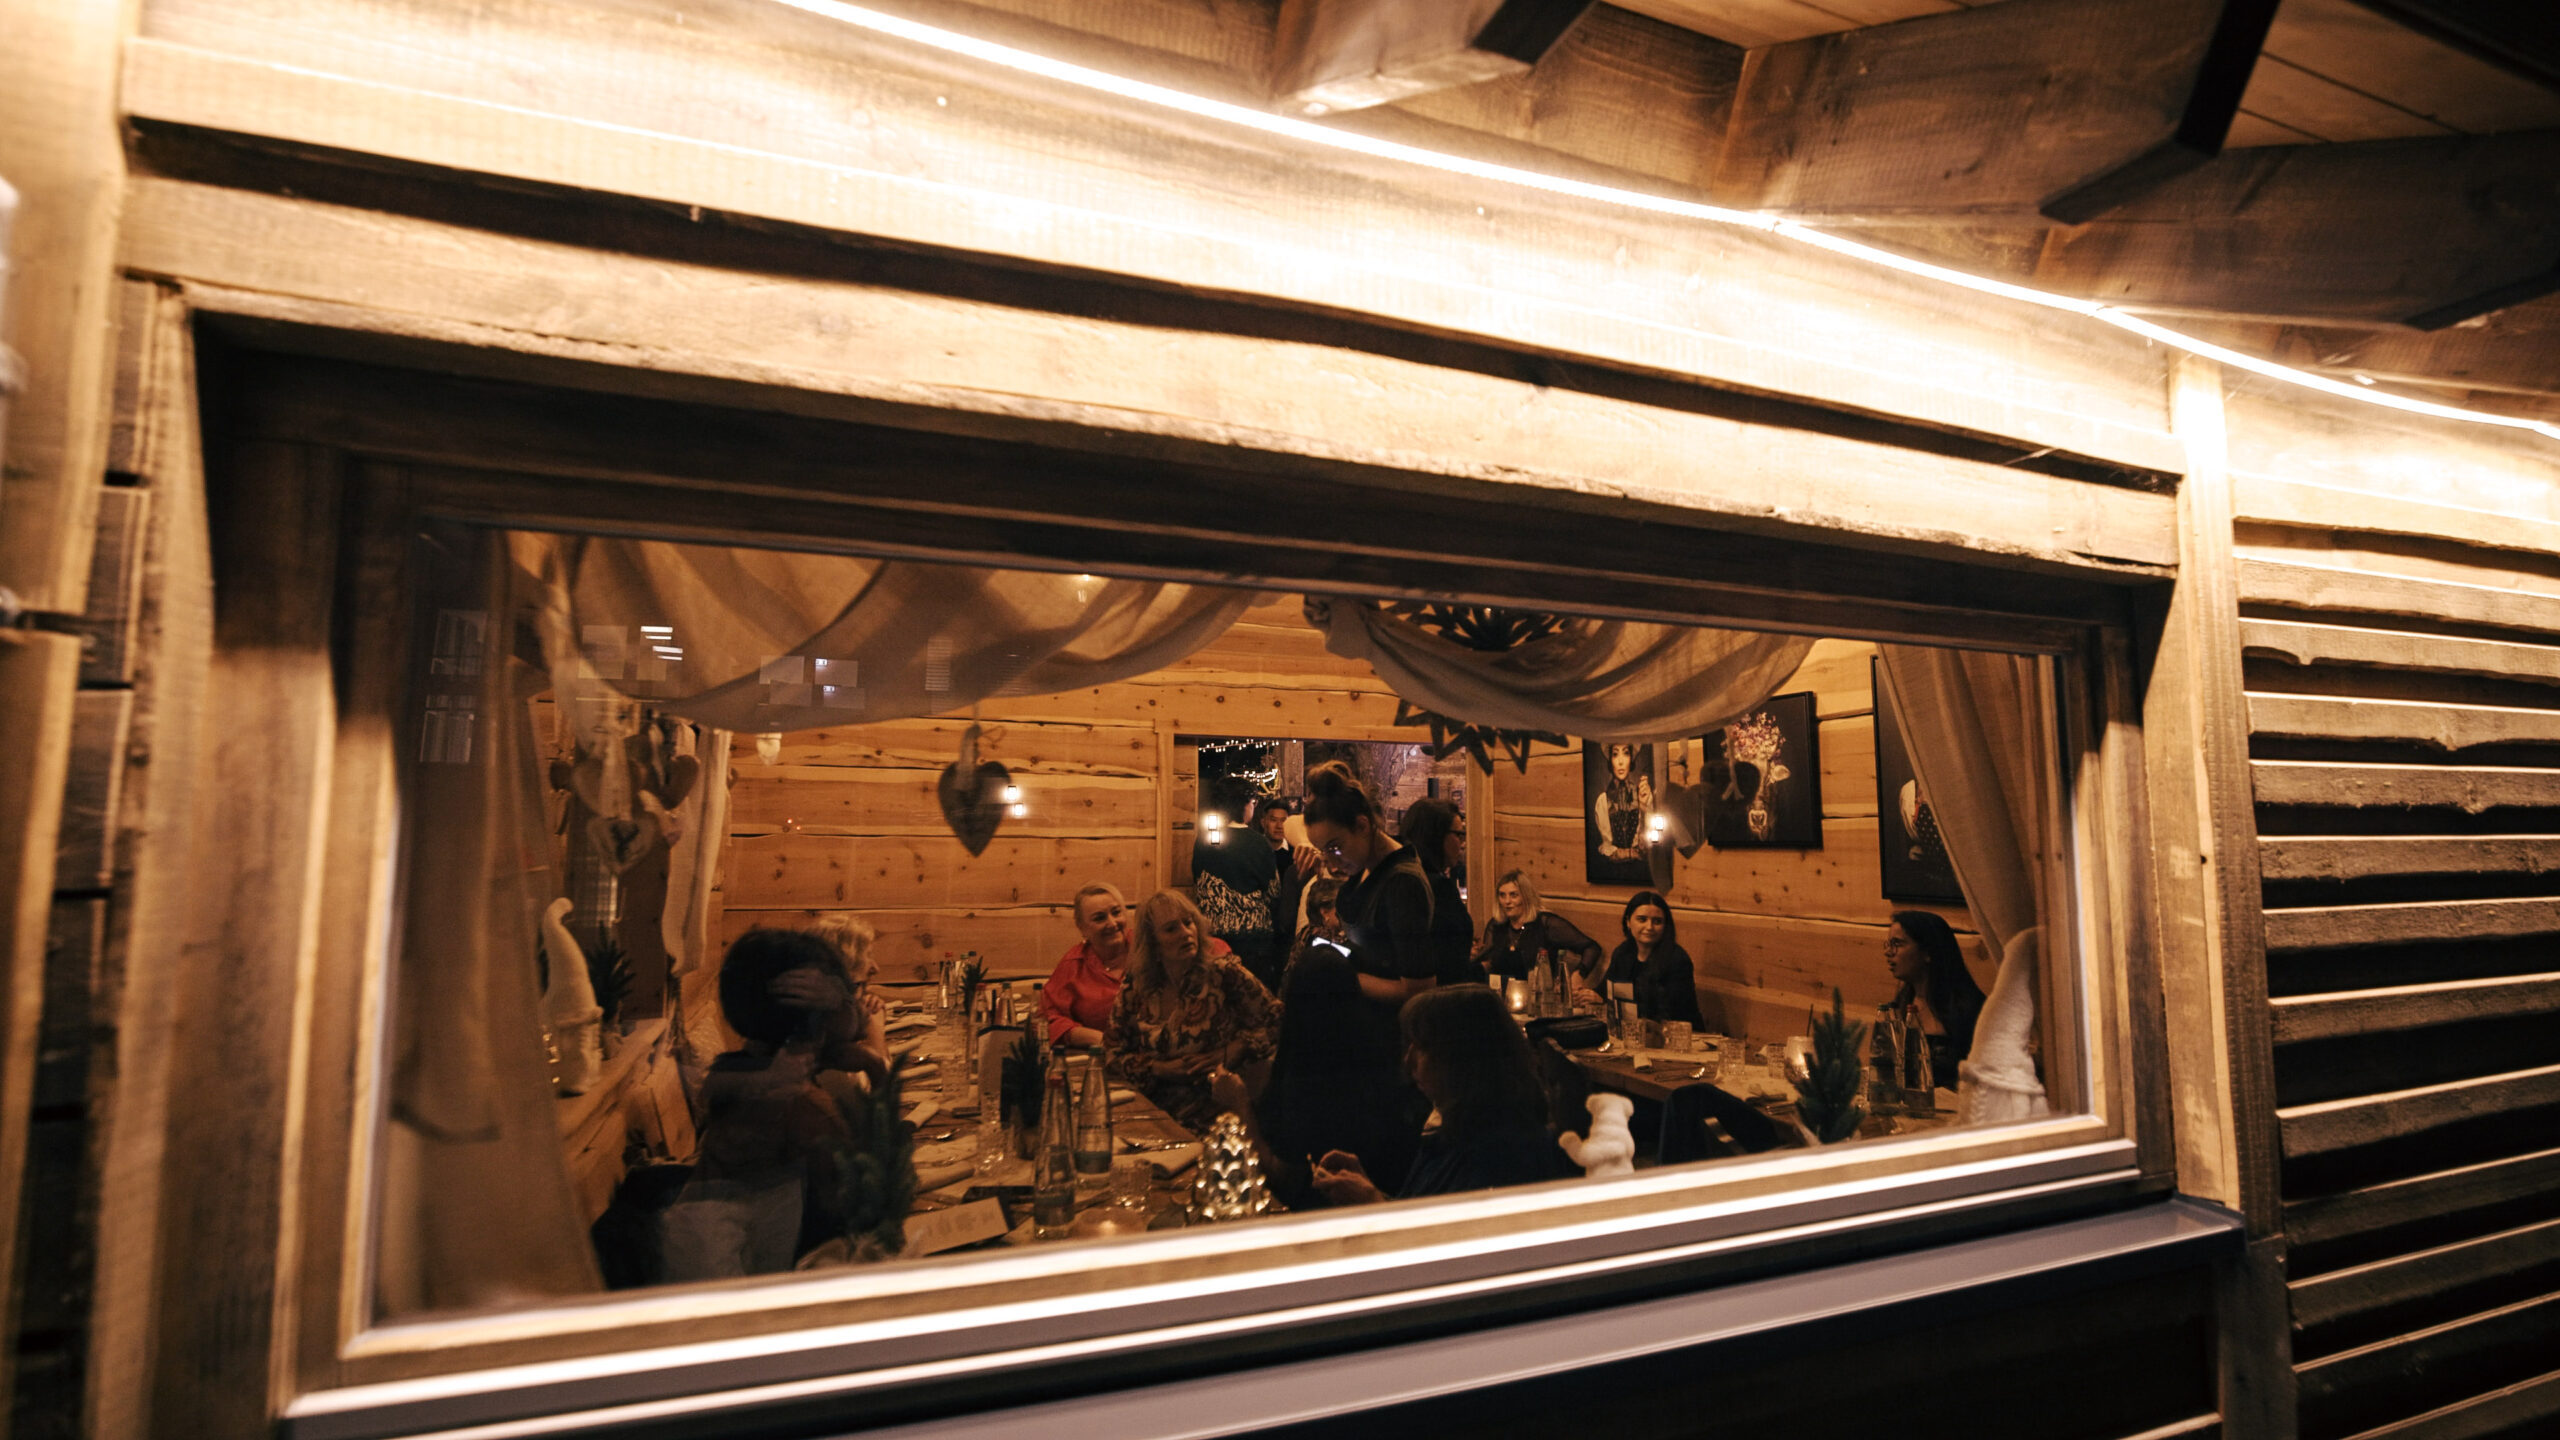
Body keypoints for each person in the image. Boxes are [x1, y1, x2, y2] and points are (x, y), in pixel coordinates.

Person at [660, 927, 866, 1280]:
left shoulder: (760, 1065)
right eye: (840, 998)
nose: (852, 1009)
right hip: (736, 1284)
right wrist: (876, 1068)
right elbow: (875, 1197)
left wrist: (839, 1002)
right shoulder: (800, 1104)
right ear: (817, 1025)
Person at [1310, 986, 1578, 1204]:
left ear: (1463, 1059)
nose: (1408, 1061)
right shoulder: (1455, 1127)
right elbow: (1421, 1212)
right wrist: (1367, 1190)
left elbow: (1453, 1245)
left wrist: (1373, 1204)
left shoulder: (1505, 1152)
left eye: (1422, 1048)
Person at [1303, 761, 1439, 1069]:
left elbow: (1420, 989)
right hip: (1365, 1031)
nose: (1331, 862)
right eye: (1323, 851)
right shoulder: (1367, 866)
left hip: (1391, 1043)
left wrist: (1343, 977)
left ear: (1362, 825)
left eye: (1335, 848)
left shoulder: (1402, 882)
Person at [1106, 890, 1279, 1132]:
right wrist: (1159, 1069)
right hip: (1152, 1113)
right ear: (1153, 943)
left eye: (1188, 923)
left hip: (1219, 1115)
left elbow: (1279, 1022)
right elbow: (1112, 1053)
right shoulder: (1138, 985)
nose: (1186, 933)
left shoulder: (1224, 973)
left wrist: (1236, 1048)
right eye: (1171, 929)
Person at [1884, 909, 1988, 1090]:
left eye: (1897, 944)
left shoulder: (1968, 1007)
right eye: (1887, 944)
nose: (1888, 952)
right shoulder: (1903, 1001)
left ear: (1928, 952)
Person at [1191, 798, 1285, 991]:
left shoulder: (1204, 839)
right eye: (1252, 803)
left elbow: (1198, 882)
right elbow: (1273, 891)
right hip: (1253, 940)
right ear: (1245, 805)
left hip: (1213, 936)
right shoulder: (1258, 842)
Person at [1397, 796, 1480, 987]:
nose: (1462, 843)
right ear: (1435, 836)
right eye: (1458, 835)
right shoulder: (1437, 887)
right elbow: (1449, 963)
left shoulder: (1400, 876)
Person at [1040, 883, 1135, 1048]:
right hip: (1098, 1055)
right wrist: (1095, 1038)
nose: (1112, 923)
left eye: (1116, 912)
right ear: (1082, 928)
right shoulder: (1074, 964)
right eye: (1099, 918)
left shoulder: (1147, 950)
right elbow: (1046, 1019)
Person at [1472, 870, 1603, 990]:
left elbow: (1592, 948)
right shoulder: (1496, 925)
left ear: (1526, 896)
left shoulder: (1545, 924)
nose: (1507, 901)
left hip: (1537, 996)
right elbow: (1489, 961)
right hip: (1500, 995)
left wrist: (1578, 975)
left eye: (1513, 895)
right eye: (1502, 895)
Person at [1603, 891, 1702, 1026]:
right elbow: (1606, 988)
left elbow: (1672, 1013)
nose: (1649, 927)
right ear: (1628, 922)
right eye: (1642, 919)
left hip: (1672, 1033)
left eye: (1657, 921)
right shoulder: (1623, 952)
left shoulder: (1677, 960)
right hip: (1631, 1030)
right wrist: (1593, 996)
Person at [1591, 742, 1654, 863]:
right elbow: (1608, 849)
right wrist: (1630, 853)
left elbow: (1646, 846)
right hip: (1612, 871)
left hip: (1640, 870)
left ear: (1631, 759)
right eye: (1615, 754)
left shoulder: (1643, 796)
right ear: (1610, 761)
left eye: (1626, 753)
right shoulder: (1603, 801)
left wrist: (1643, 806)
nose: (1620, 762)